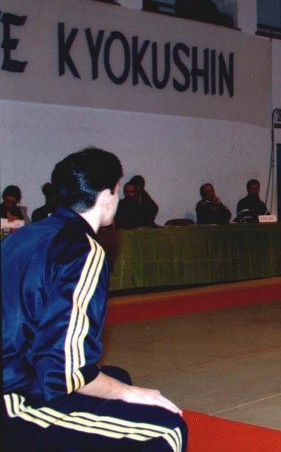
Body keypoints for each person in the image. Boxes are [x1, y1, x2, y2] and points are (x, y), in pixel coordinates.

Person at [2, 148, 187, 451]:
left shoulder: (24, 235)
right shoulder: (83, 249)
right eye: (117, 190)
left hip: (19, 371)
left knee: (117, 377)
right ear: (106, 196)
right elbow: (66, 370)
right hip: (15, 400)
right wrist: (128, 393)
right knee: (166, 431)